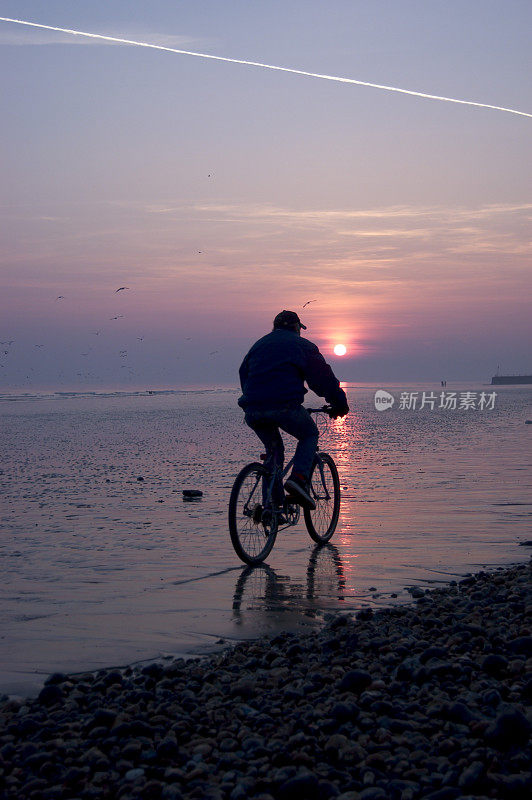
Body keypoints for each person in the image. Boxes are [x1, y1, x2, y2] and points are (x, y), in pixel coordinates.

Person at [238, 310, 349, 509]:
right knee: (309, 434)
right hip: (284, 407)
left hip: (253, 410)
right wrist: (339, 403)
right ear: (297, 327)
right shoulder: (302, 346)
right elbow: (322, 379)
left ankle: (271, 507)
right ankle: (298, 479)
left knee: (274, 450)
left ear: (275, 327)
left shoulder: (258, 345)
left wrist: (254, 398)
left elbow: (243, 373)